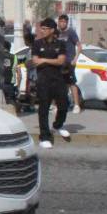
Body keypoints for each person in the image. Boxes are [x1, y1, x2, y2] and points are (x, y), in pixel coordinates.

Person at [29, 18, 70, 148]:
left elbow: (61, 61)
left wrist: (44, 60)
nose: (43, 31)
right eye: (42, 28)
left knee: (64, 104)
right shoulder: (37, 43)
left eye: (45, 28)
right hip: (43, 79)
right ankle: (44, 137)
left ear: (52, 30)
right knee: (44, 108)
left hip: (58, 78)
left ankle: (58, 125)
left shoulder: (60, 44)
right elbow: (35, 61)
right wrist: (48, 60)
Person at [57, 14, 83, 113]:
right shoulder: (57, 33)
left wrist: (75, 59)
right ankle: (57, 105)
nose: (62, 23)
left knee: (71, 83)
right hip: (59, 62)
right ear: (58, 22)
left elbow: (79, 46)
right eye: (61, 21)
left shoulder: (71, 32)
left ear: (67, 23)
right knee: (58, 84)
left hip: (69, 62)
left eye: (64, 22)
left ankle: (76, 105)